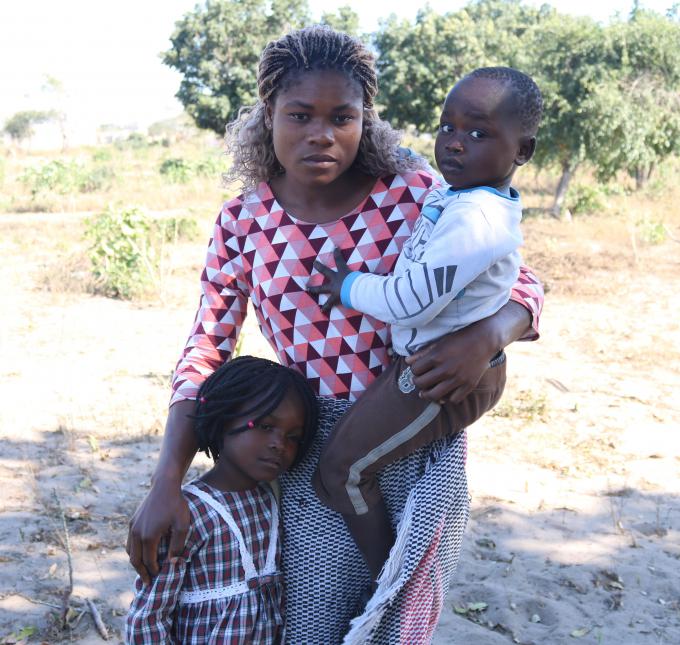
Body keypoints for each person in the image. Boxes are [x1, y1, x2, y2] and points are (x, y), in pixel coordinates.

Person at [126, 26, 544, 644]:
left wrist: (488, 336)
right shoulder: (245, 222)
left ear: (365, 120)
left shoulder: (410, 191)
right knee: (314, 623)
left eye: (342, 116)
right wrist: (167, 481)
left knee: (402, 621)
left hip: (417, 429)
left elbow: (521, 280)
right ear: (268, 115)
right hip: (308, 447)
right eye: (299, 115)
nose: (320, 134)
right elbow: (206, 347)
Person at [309, 67, 543, 587]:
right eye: (447, 128)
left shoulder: (477, 219)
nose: (455, 145)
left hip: (442, 375)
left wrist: (346, 286)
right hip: (423, 366)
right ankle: (393, 572)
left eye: (478, 133)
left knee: (340, 472)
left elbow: (409, 301)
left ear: (522, 151)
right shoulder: (459, 196)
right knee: (343, 468)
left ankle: (395, 586)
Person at [126, 356, 317, 643]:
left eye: (293, 437)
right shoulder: (187, 514)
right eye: (265, 426)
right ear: (223, 417)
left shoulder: (275, 498)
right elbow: (149, 617)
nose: (280, 444)